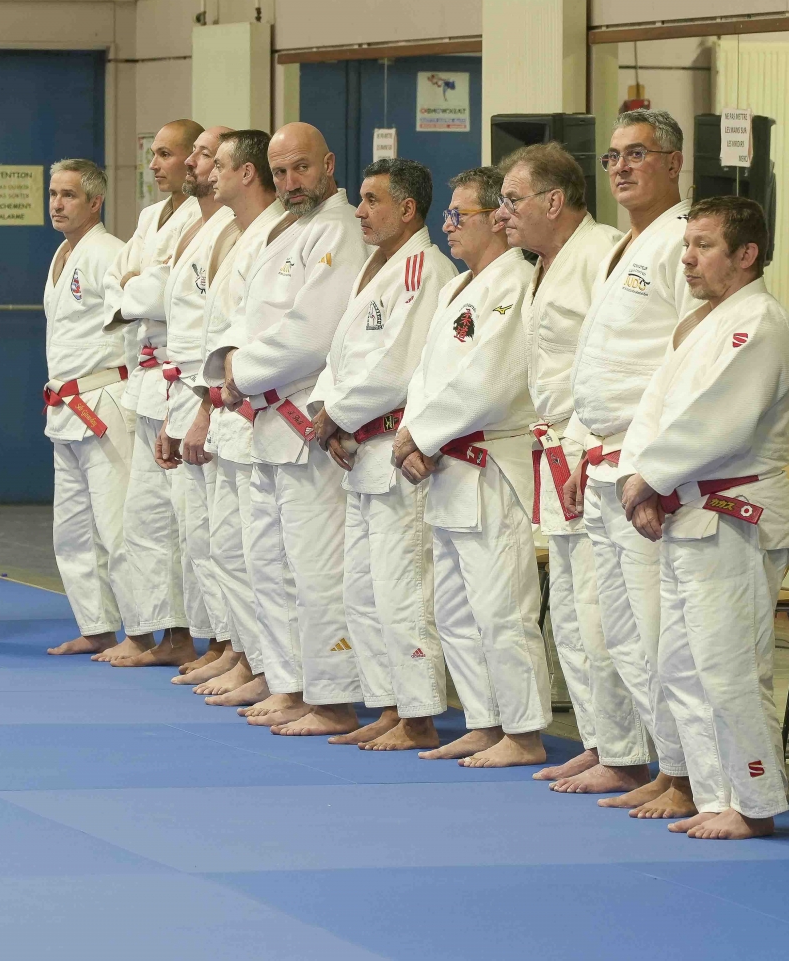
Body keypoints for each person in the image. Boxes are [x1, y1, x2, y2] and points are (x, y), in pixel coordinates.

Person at [616, 196, 789, 840]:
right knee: (681, 663)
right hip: (688, 509)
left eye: (704, 246)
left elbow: (721, 419)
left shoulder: (763, 323)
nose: (688, 259)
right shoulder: (702, 322)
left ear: (746, 254)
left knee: (730, 666)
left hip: (734, 514)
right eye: (686, 245)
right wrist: (639, 480)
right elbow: (654, 409)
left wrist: (650, 478)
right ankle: (714, 790)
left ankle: (755, 803)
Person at [203, 122, 366, 735]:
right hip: (266, 418)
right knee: (267, 563)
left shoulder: (338, 229)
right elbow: (247, 316)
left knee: (315, 568)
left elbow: (313, 331)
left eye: (301, 167)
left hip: (305, 419)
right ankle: (288, 682)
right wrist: (229, 364)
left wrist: (240, 371)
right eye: (280, 172)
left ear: (328, 163)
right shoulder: (289, 228)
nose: (291, 181)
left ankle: (333, 698)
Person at [561, 111, 697, 817]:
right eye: (613, 156)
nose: (620, 167)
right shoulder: (626, 245)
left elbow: (686, 362)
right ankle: (659, 763)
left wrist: (651, 467)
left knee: (656, 630)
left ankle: (688, 775)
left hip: (644, 466)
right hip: (603, 458)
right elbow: (598, 364)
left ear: (674, 162)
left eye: (637, 154)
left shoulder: (684, 240)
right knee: (619, 634)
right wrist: (580, 447)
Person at [393, 167, 552, 768]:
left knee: (501, 606)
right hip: (446, 465)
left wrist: (421, 435)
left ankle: (526, 731)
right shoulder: (459, 286)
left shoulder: (517, 281)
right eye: (449, 214)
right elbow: (426, 376)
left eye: (461, 215)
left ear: (497, 219)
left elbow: (490, 381)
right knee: (456, 608)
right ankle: (485, 721)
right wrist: (414, 431)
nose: (449, 224)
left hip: (489, 462)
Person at [496, 143, 639, 793]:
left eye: (513, 199)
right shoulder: (541, 265)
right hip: (555, 447)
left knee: (602, 612)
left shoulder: (603, 254)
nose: (503, 213)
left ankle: (627, 752)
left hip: (593, 446)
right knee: (574, 616)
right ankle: (598, 739)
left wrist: (583, 443)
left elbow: (614, 362)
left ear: (554, 201)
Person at [309, 158, 456, 751]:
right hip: (360, 449)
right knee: (363, 593)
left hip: (396, 455)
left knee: (403, 593)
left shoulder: (426, 270)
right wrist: (331, 415)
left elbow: (398, 365)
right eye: (361, 199)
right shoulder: (375, 267)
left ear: (408, 209)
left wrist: (336, 415)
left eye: (372, 200)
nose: (360, 211)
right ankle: (390, 704)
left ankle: (419, 716)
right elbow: (340, 356)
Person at [103, 120, 203, 667]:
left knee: (185, 521)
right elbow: (119, 282)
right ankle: (153, 631)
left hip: (180, 379)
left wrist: (138, 286)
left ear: (192, 159)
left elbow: (164, 292)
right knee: (143, 517)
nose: (155, 164)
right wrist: (139, 286)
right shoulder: (148, 217)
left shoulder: (205, 217)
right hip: (145, 383)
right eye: (154, 154)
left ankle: (191, 637)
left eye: (166, 154)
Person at [191, 130, 285, 707]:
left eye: (218, 163)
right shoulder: (240, 234)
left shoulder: (274, 236)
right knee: (228, 547)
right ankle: (246, 654)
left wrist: (215, 400)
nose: (209, 172)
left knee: (258, 555)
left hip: (255, 411)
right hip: (228, 407)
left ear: (246, 173)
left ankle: (268, 666)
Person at [149, 127, 243, 684]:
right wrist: (175, 412)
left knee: (223, 536)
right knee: (199, 535)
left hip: (216, 391)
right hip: (185, 384)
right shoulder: (195, 226)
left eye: (205, 155)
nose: (192, 162)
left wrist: (202, 407)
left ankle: (235, 645)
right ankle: (220, 640)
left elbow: (221, 333)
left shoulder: (234, 232)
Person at [40, 159, 135, 657]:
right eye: (53, 194)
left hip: (105, 402)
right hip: (66, 405)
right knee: (73, 529)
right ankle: (96, 626)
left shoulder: (110, 253)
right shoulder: (62, 254)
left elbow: (133, 326)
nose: (57, 204)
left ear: (95, 202)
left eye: (69, 195)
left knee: (117, 526)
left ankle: (141, 631)